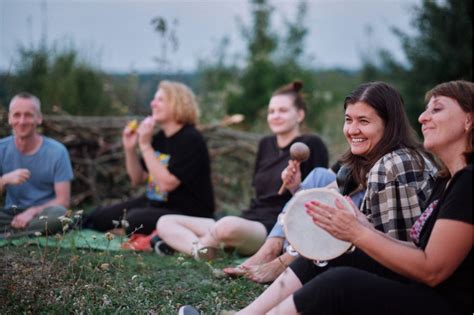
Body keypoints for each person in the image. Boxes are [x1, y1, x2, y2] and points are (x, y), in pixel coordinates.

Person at [237, 80, 473, 315]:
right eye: (349, 120)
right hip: (423, 289)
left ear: (469, 119)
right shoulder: (447, 179)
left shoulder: (459, 180)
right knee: (329, 257)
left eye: (437, 109)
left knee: (339, 284)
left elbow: (431, 270)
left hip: (443, 303)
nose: (422, 117)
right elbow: (417, 248)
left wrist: (358, 234)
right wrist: (360, 228)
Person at [157, 81, 329, 259]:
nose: (275, 116)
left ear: (299, 115)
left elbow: (316, 200)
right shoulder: (265, 144)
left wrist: (295, 187)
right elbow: (258, 194)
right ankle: (203, 249)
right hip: (249, 218)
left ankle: (193, 246)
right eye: (272, 111)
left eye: (283, 111)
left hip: (274, 226)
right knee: (165, 222)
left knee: (226, 226)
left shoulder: (312, 144)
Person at [83, 81, 215, 241]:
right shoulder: (160, 138)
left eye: (160, 100)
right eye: (154, 99)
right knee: (102, 216)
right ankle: (65, 224)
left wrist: (144, 145)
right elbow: (137, 178)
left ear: (178, 104)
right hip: (155, 203)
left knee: (133, 220)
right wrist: (130, 149)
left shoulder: (190, 138)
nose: (153, 103)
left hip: (187, 211)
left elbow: (167, 184)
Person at [0, 92, 74, 238]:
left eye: (28, 115)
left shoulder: (57, 152)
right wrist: (4, 180)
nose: (22, 121)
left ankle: (9, 234)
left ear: (39, 118)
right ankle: (19, 232)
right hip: (10, 214)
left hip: (43, 214)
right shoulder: (1, 148)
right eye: (16, 115)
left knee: (60, 215)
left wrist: (32, 211)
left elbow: (63, 201)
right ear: (9, 118)